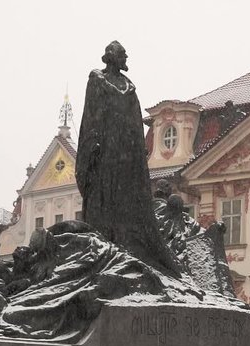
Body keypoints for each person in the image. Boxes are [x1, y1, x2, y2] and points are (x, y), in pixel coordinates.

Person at [76, 41, 180, 277]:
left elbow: (135, 121)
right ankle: (105, 241)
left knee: (125, 199)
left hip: (126, 153)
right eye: (123, 55)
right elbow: (91, 115)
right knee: (104, 196)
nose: (126, 58)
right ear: (112, 58)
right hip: (105, 150)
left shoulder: (129, 86)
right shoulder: (97, 80)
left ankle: (124, 241)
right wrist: (93, 144)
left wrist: (138, 150)